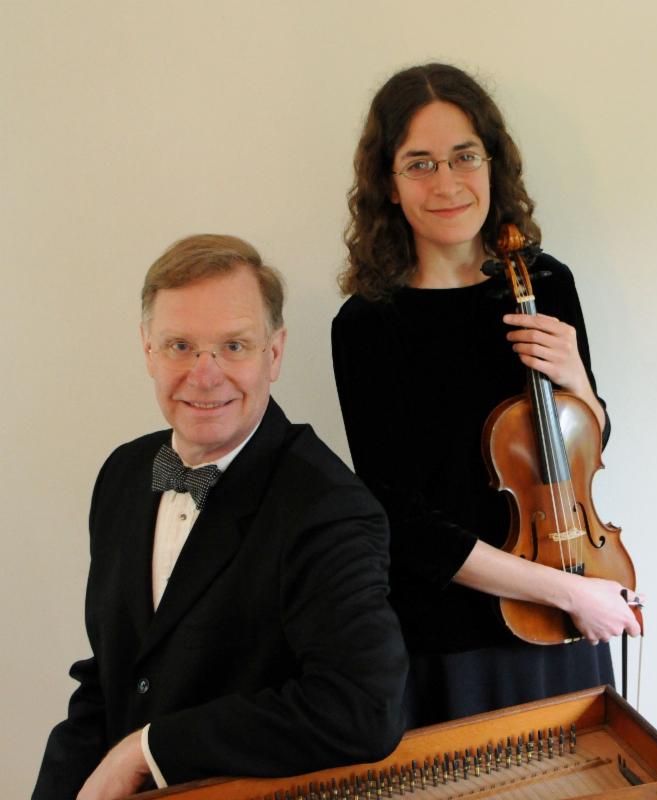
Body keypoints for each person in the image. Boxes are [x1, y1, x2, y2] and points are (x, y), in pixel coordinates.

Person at [34, 235, 408, 800]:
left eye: (233, 346)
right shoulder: (124, 473)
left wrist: (146, 750)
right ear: (148, 351)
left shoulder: (327, 506)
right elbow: (111, 677)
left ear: (274, 354)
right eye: (180, 346)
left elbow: (362, 709)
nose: (204, 375)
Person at [332, 63, 641, 727]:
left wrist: (578, 382)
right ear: (388, 183)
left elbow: (584, 449)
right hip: (452, 635)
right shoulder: (367, 325)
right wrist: (564, 591)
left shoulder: (545, 283)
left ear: (492, 164)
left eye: (464, 156)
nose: (446, 183)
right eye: (419, 164)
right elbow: (401, 521)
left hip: (569, 600)